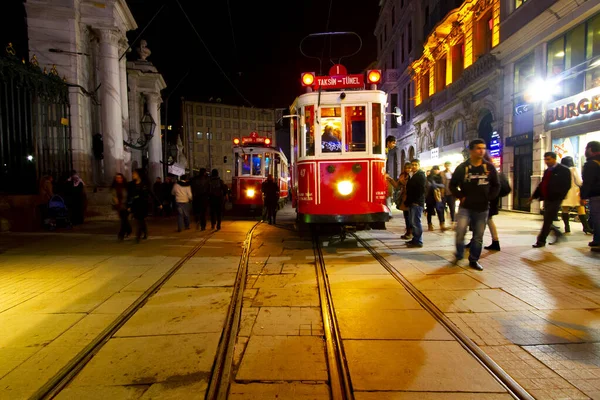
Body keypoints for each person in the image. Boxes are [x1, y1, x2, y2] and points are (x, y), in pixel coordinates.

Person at [450, 139, 500, 271]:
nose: (481, 151)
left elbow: (496, 185)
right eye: (478, 148)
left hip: (482, 208)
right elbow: (452, 185)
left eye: (483, 148)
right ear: (471, 150)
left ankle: (474, 260)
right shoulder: (463, 168)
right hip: (465, 207)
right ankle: (459, 253)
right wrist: (461, 196)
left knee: (478, 236)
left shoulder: (489, 167)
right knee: (460, 232)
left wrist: (489, 197)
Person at [529, 152, 571, 248]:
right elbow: (542, 184)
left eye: (548, 159)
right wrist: (534, 196)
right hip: (547, 198)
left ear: (554, 159)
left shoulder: (563, 170)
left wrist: (559, 195)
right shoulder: (548, 170)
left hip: (555, 199)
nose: (546, 161)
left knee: (547, 220)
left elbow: (566, 185)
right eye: (545, 159)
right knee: (548, 219)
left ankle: (541, 241)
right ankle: (557, 234)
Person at [483, 153, 511, 251]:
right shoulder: (492, 169)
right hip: (492, 199)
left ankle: (495, 241)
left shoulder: (488, 170)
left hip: (488, 200)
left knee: (487, 219)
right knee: (486, 220)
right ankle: (494, 241)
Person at [560, 156, 592, 234]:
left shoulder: (561, 170)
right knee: (581, 209)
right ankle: (586, 227)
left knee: (565, 210)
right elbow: (579, 181)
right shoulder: (574, 169)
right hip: (575, 192)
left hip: (565, 193)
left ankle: (567, 228)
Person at [128, 169, 161, 243]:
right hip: (135, 205)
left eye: (134, 174)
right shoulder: (131, 184)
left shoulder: (145, 184)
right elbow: (129, 196)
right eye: (133, 173)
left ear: (139, 174)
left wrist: (159, 203)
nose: (133, 175)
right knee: (140, 220)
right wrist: (129, 205)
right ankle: (145, 232)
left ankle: (138, 236)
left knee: (140, 220)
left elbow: (152, 194)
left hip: (143, 204)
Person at [580, 141, 600, 250]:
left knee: (597, 218)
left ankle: (598, 241)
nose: (585, 151)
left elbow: (587, 182)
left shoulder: (591, 164)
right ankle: (596, 239)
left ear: (591, 149)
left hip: (596, 195)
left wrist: (583, 197)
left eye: (586, 148)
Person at [404, 159, 427, 248]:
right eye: (412, 165)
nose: (413, 166)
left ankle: (419, 241)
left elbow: (421, 190)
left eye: (415, 165)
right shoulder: (412, 175)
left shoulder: (420, 175)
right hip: (412, 202)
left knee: (416, 222)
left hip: (416, 203)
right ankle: (415, 239)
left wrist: (416, 201)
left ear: (419, 165)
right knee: (413, 222)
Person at [387, 162, 413, 239]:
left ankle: (411, 232)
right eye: (406, 168)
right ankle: (408, 231)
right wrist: (391, 180)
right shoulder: (402, 176)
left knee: (410, 216)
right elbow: (397, 186)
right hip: (404, 197)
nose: (408, 169)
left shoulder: (413, 176)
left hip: (411, 197)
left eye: (409, 168)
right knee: (406, 216)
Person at [425, 165, 446, 231]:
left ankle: (442, 224)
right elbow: (428, 186)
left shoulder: (439, 177)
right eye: (435, 169)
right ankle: (430, 224)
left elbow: (442, 185)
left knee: (440, 210)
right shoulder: (429, 177)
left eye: (437, 169)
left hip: (438, 196)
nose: (436, 171)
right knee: (430, 211)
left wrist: (435, 185)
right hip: (430, 196)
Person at [111, 173, 131, 240]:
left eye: (120, 178)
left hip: (125, 205)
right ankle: (128, 230)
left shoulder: (126, 186)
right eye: (117, 178)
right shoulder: (114, 187)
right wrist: (115, 202)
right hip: (119, 206)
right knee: (124, 220)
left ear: (122, 178)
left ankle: (121, 234)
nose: (118, 179)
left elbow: (128, 196)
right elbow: (113, 196)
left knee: (124, 220)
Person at [385, 135, 402, 218]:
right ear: (388, 142)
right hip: (385, 175)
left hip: (387, 175)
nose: (394, 145)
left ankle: (388, 212)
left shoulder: (389, 152)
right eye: (393, 143)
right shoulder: (384, 151)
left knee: (388, 194)